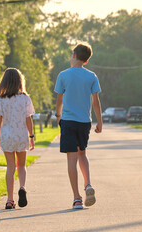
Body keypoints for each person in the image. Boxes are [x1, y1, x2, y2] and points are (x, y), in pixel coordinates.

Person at [54, 42, 102, 210]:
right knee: (83, 154)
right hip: (84, 121)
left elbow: (59, 100)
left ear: (73, 55)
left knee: (71, 159)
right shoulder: (92, 76)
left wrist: (58, 115)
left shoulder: (63, 75)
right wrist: (100, 122)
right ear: (86, 61)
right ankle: (88, 184)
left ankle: (76, 198)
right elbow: (96, 101)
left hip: (68, 121)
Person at [0, 68, 35, 209]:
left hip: (7, 136)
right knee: (21, 165)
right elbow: (28, 119)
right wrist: (31, 136)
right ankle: (22, 187)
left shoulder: (1, 99)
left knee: (10, 167)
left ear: (4, 82)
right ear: (19, 81)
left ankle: (10, 200)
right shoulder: (25, 98)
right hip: (21, 135)